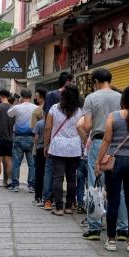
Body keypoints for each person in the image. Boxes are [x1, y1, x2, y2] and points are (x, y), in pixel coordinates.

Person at [95, 86, 129, 252]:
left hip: (114, 162)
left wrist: (98, 162)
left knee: (113, 200)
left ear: (123, 100)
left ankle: (111, 240)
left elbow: (106, 141)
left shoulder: (114, 116)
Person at [81, 68, 125, 240]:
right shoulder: (121, 97)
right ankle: (122, 229)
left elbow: (86, 126)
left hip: (99, 142)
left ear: (96, 81)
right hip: (118, 144)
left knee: (95, 184)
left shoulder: (91, 98)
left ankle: (94, 228)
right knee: (119, 186)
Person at [44, 84, 85, 216]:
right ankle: (69, 206)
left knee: (58, 177)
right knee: (72, 178)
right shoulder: (80, 111)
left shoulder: (54, 108)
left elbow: (47, 128)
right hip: (74, 147)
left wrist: (46, 145)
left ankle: (59, 208)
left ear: (63, 95)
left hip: (57, 147)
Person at [41, 73, 72, 210]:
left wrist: (45, 144)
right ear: (67, 82)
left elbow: (47, 123)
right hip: (73, 144)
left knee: (51, 172)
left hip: (55, 139)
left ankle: (48, 200)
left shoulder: (51, 98)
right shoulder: (76, 104)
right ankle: (71, 204)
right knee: (71, 176)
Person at [8, 89, 37, 192]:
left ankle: (15, 185)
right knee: (32, 163)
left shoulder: (16, 107)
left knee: (16, 162)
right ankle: (31, 186)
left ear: (21, 97)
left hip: (19, 137)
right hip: (32, 138)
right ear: (31, 96)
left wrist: (15, 103)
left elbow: (9, 114)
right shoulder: (36, 108)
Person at [31, 88, 48, 205]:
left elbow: (34, 132)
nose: (35, 98)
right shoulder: (59, 109)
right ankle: (48, 197)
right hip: (53, 148)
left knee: (39, 172)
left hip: (40, 147)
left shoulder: (37, 111)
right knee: (50, 173)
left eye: (37, 96)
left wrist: (36, 147)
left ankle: (38, 196)